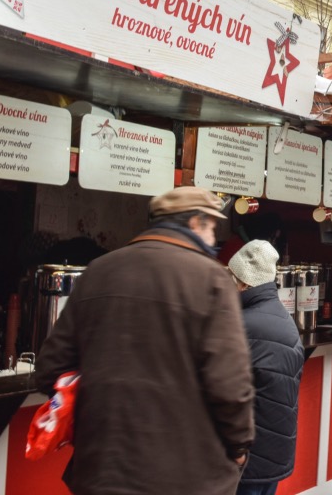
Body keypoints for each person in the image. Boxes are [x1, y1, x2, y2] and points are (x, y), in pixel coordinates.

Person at [35, 186, 254, 495]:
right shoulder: (211, 279)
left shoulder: (99, 271)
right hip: (186, 477)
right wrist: (239, 445)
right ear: (195, 223)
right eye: (211, 226)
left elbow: (49, 368)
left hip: (101, 470)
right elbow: (229, 382)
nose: (213, 237)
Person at [227, 241, 304, 495]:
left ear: (245, 283)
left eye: (232, 277)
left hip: (248, 455)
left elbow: (229, 393)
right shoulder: (285, 321)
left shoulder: (243, 325)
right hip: (275, 449)